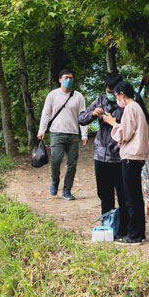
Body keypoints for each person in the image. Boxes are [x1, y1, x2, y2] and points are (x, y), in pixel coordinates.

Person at [102, 80, 148, 245]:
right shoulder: (138, 107)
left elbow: (125, 133)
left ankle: (134, 234)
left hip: (131, 156)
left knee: (131, 197)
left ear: (121, 94)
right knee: (135, 194)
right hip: (138, 156)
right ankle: (139, 232)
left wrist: (113, 123)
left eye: (116, 96)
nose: (117, 100)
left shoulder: (130, 108)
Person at [78, 73, 127, 218]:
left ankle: (124, 228)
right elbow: (81, 119)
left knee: (123, 195)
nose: (110, 93)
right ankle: (107, 224)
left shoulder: (126, 105)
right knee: (104, 194)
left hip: (121, 156)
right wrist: (93, 114)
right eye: (108, 90)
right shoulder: (99, 101)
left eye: (113, 91)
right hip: (101, 156)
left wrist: (114, 122)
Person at [36, 68, 88, 200]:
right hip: (57, 133)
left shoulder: (78, 96)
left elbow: (83, 116)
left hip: (73, 134)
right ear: (60, 80)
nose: (68, 80)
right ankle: (55, 180)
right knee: (56, 159)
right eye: (66, 78)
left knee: (72, 163)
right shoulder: (52, 95)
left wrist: (84, 134)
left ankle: (67, 190)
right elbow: (46, 113)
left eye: (71, 78)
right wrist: (41, 130)